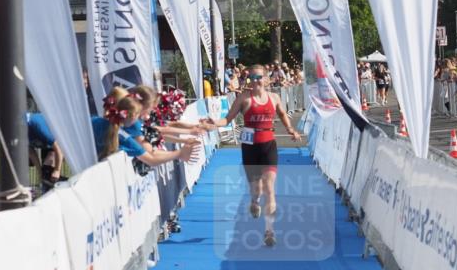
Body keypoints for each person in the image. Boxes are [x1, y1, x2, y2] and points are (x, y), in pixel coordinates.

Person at [203, 64, 302, 247]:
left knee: (269, 188)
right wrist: (214, 123)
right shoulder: (244, 98)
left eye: (259, 77)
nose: (255, 81)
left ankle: (269, 230)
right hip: (250, 147)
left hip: (268, 145)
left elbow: (282, 114)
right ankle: (254, 202)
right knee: (256, 189)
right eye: (252, 78)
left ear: (266, 79)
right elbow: (227, 119)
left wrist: (290, 129)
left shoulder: (274, 97)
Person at [90, 88, 199, 168]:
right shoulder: (125, 136)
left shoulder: (95, 121)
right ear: (133, 116)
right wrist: (179, 153)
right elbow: (151, 158)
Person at [26, 110, 65, 191]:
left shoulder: (35, 124)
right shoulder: (19, 134)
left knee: (49, 172)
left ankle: (66, 186)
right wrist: (40, 173)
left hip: (62, 140)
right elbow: (32, 153)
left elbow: (58, 148)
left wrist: (57, 170)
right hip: (48, 146)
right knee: (45, 175)